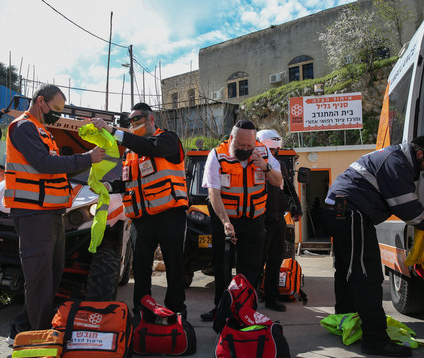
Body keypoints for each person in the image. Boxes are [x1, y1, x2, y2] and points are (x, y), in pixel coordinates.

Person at [323, 136, 424, 357]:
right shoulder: (397, 162)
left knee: (347, 269)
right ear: (419, 154)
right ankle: (375, 340)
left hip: (338, 208)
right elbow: (405, 207)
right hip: (352, 212)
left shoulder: (391, 157)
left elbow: (399, 200)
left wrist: (422, 212)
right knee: (367, 275)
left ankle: (345, 318)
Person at [5, 84, 106, 344]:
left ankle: (25, 327)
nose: (58, 116)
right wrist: (86, 158)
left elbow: (57, 169)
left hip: (50, 213)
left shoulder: (43, 131)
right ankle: (36, 338)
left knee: (51, 273)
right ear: (41, 101)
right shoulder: (24, 127)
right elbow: (44, 165)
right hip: (32, 213)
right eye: (56, 109)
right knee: (39, 277)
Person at [91, 102, 189, 317]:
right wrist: (109, 186)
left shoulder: (168, 139)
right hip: (142, 219)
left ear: (151, 119)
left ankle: (176, 311)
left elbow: (150, 148)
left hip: (169, 214)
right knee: (141, 267)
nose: (133, 124)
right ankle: (142, 309)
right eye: (130, 121)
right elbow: (128, 182)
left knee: (174, 265)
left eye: (137, 119)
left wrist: (113, 131)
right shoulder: (131, 154)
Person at [200, 120, 283, 321]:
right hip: (225, 219)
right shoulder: (217, 155)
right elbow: (214, 193)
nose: (246, 150)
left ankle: (246, 310)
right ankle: (220, 308)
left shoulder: (263, 152)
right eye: (241, 145)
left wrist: (265, 166)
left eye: (249, 146)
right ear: (231, 139)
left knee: (251, 269)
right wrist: (226, 222)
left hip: (254, 221)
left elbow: (278, 180)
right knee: (222, 266)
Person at [256, 129, 303, 312]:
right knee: (257, 262)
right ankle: (252, 296)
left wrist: (296, 207)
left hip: (278, 220)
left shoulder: (280, 166)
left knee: (276, 260)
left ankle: (271, 298)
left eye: (276, 150)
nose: (274, 153)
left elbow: (288, 188)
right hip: (260, 220)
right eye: (271, 150)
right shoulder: (253, 165)